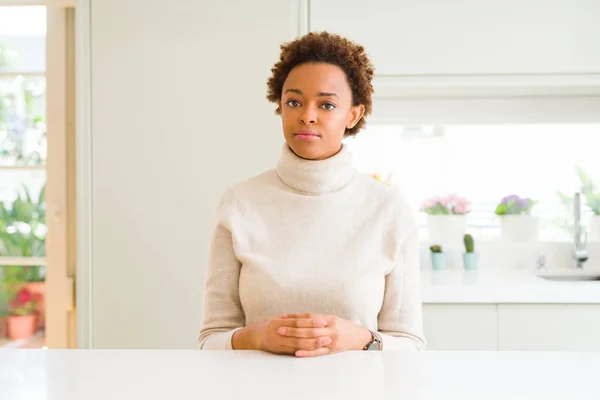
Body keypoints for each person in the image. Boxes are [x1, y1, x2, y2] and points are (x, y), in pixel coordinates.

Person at [198, 31, 426, 358]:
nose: (307, 115)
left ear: (353, 115)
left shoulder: (387, 209)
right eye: (294, 101)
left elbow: (411, 346)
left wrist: (360, 338)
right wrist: (256, 337)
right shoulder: (239, 203)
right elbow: (210, 340)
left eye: (327, 104)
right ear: (280, 106)